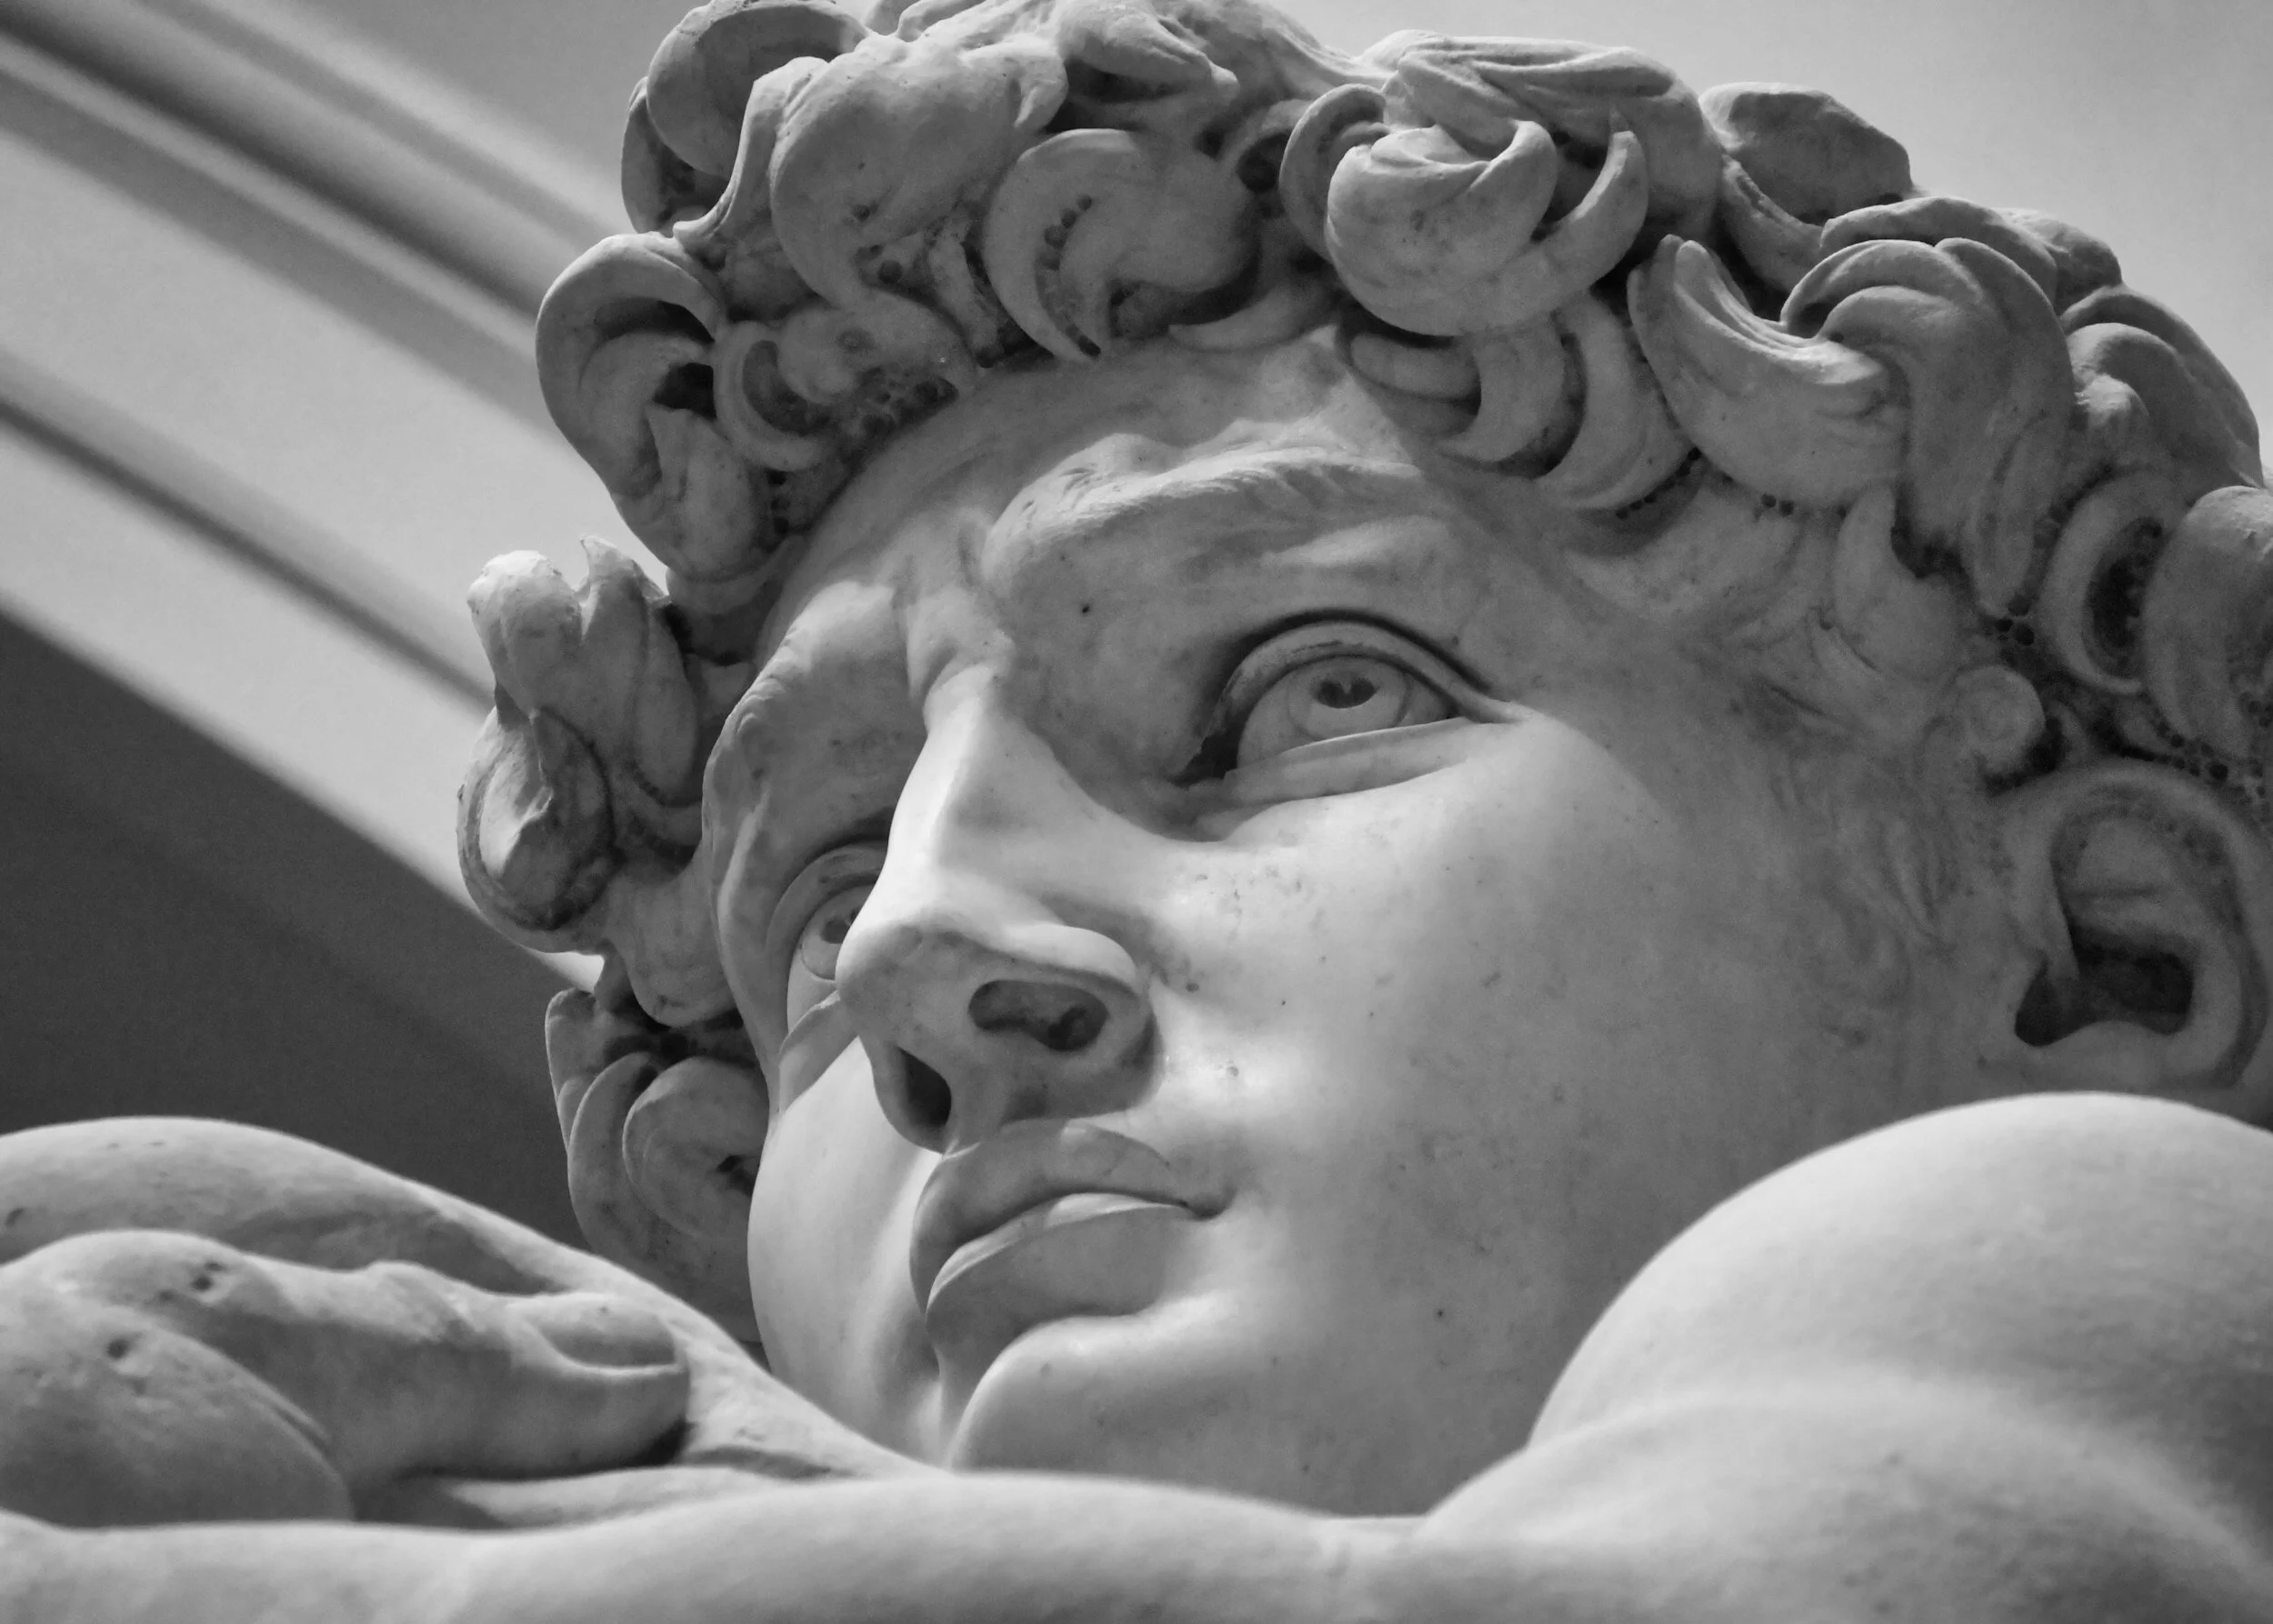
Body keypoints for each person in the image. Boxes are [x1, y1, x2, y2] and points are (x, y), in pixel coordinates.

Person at [5, 0, 2273, 1614]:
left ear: (2091, 957)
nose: (906, 949)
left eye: (1306, 693)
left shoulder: (2110, 1251)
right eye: (805, 911)